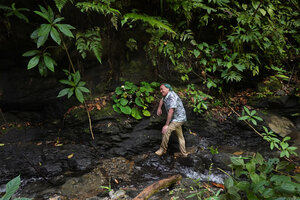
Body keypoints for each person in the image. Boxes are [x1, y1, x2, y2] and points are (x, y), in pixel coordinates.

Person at [155, 83, 188, 157]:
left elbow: (171, 111)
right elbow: (162, 99)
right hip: (176, 118)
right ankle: (184, 154)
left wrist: (166, 125)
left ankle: (162, 150)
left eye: (162, 89)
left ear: (168, 89)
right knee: (180, 136)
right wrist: (159, 108)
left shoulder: (172, 96)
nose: (161, 91)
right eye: (160, 89)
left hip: (179, 119)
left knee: (166, 130)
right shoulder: (166, 95)